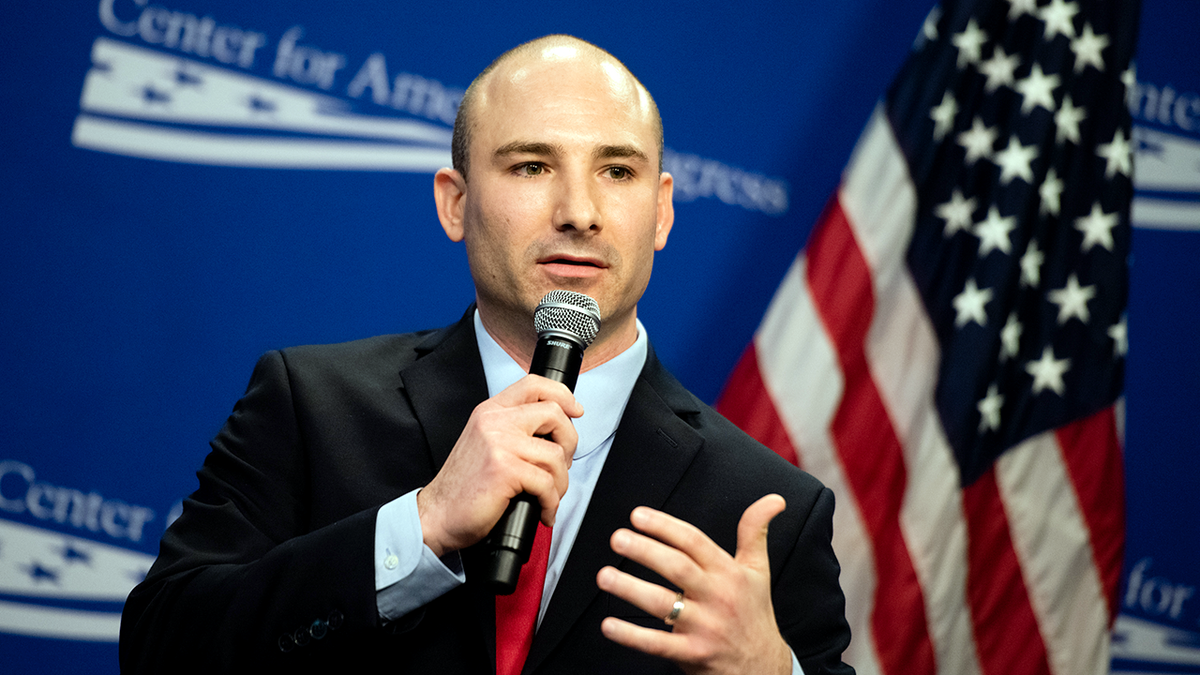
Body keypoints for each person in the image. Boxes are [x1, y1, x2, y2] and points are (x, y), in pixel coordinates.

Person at [119, 35, 854, 675]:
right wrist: (423, 524)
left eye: (617, 171)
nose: (579, 210)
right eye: (532, 166)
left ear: (661, 211)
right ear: (454, 202)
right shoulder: (308, 405)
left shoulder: (770, 509)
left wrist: (768, 670)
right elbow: (160, 649)